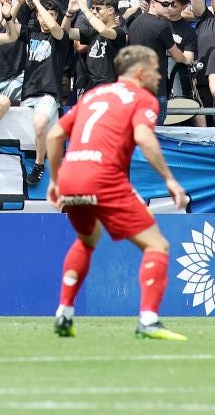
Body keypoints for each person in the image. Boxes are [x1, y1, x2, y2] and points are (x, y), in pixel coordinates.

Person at [45, 44, 191, 341]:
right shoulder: (143, 98)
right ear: (139, 72)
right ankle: (148, 320)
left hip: (72, 175)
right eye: (155, 69)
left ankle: (64, 312)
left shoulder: (93, 95)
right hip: (104, 176)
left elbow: (55, 134)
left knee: (87, 239)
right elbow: (144, 137)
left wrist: (55, 179)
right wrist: (169, 180)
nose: (160, 75)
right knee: (156, 246)